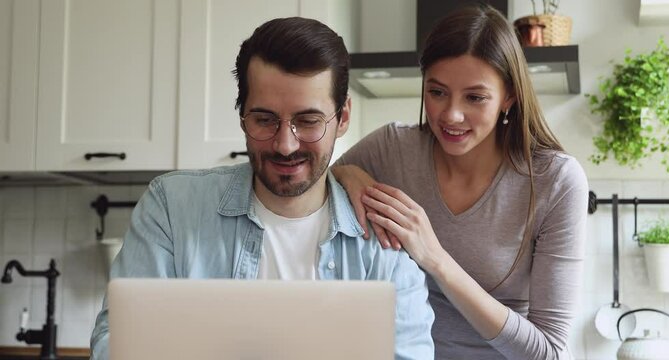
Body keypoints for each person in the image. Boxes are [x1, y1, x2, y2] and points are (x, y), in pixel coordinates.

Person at [90, 17, 434, 360]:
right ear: (242, 115)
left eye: (308, 121)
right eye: (264, 120)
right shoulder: (171, 207)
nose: (285, 145)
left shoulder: (381, 240)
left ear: (342, 118)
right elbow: (115, 343)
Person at [333, 4, 588, 360]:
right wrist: (348, 174)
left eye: (475, 97)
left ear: (509, 97)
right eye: (437, 92)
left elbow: (546, 352)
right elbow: (315, 184)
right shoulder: (393, 148)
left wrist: (435, 257)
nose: (451, 115)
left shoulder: (555, 181)